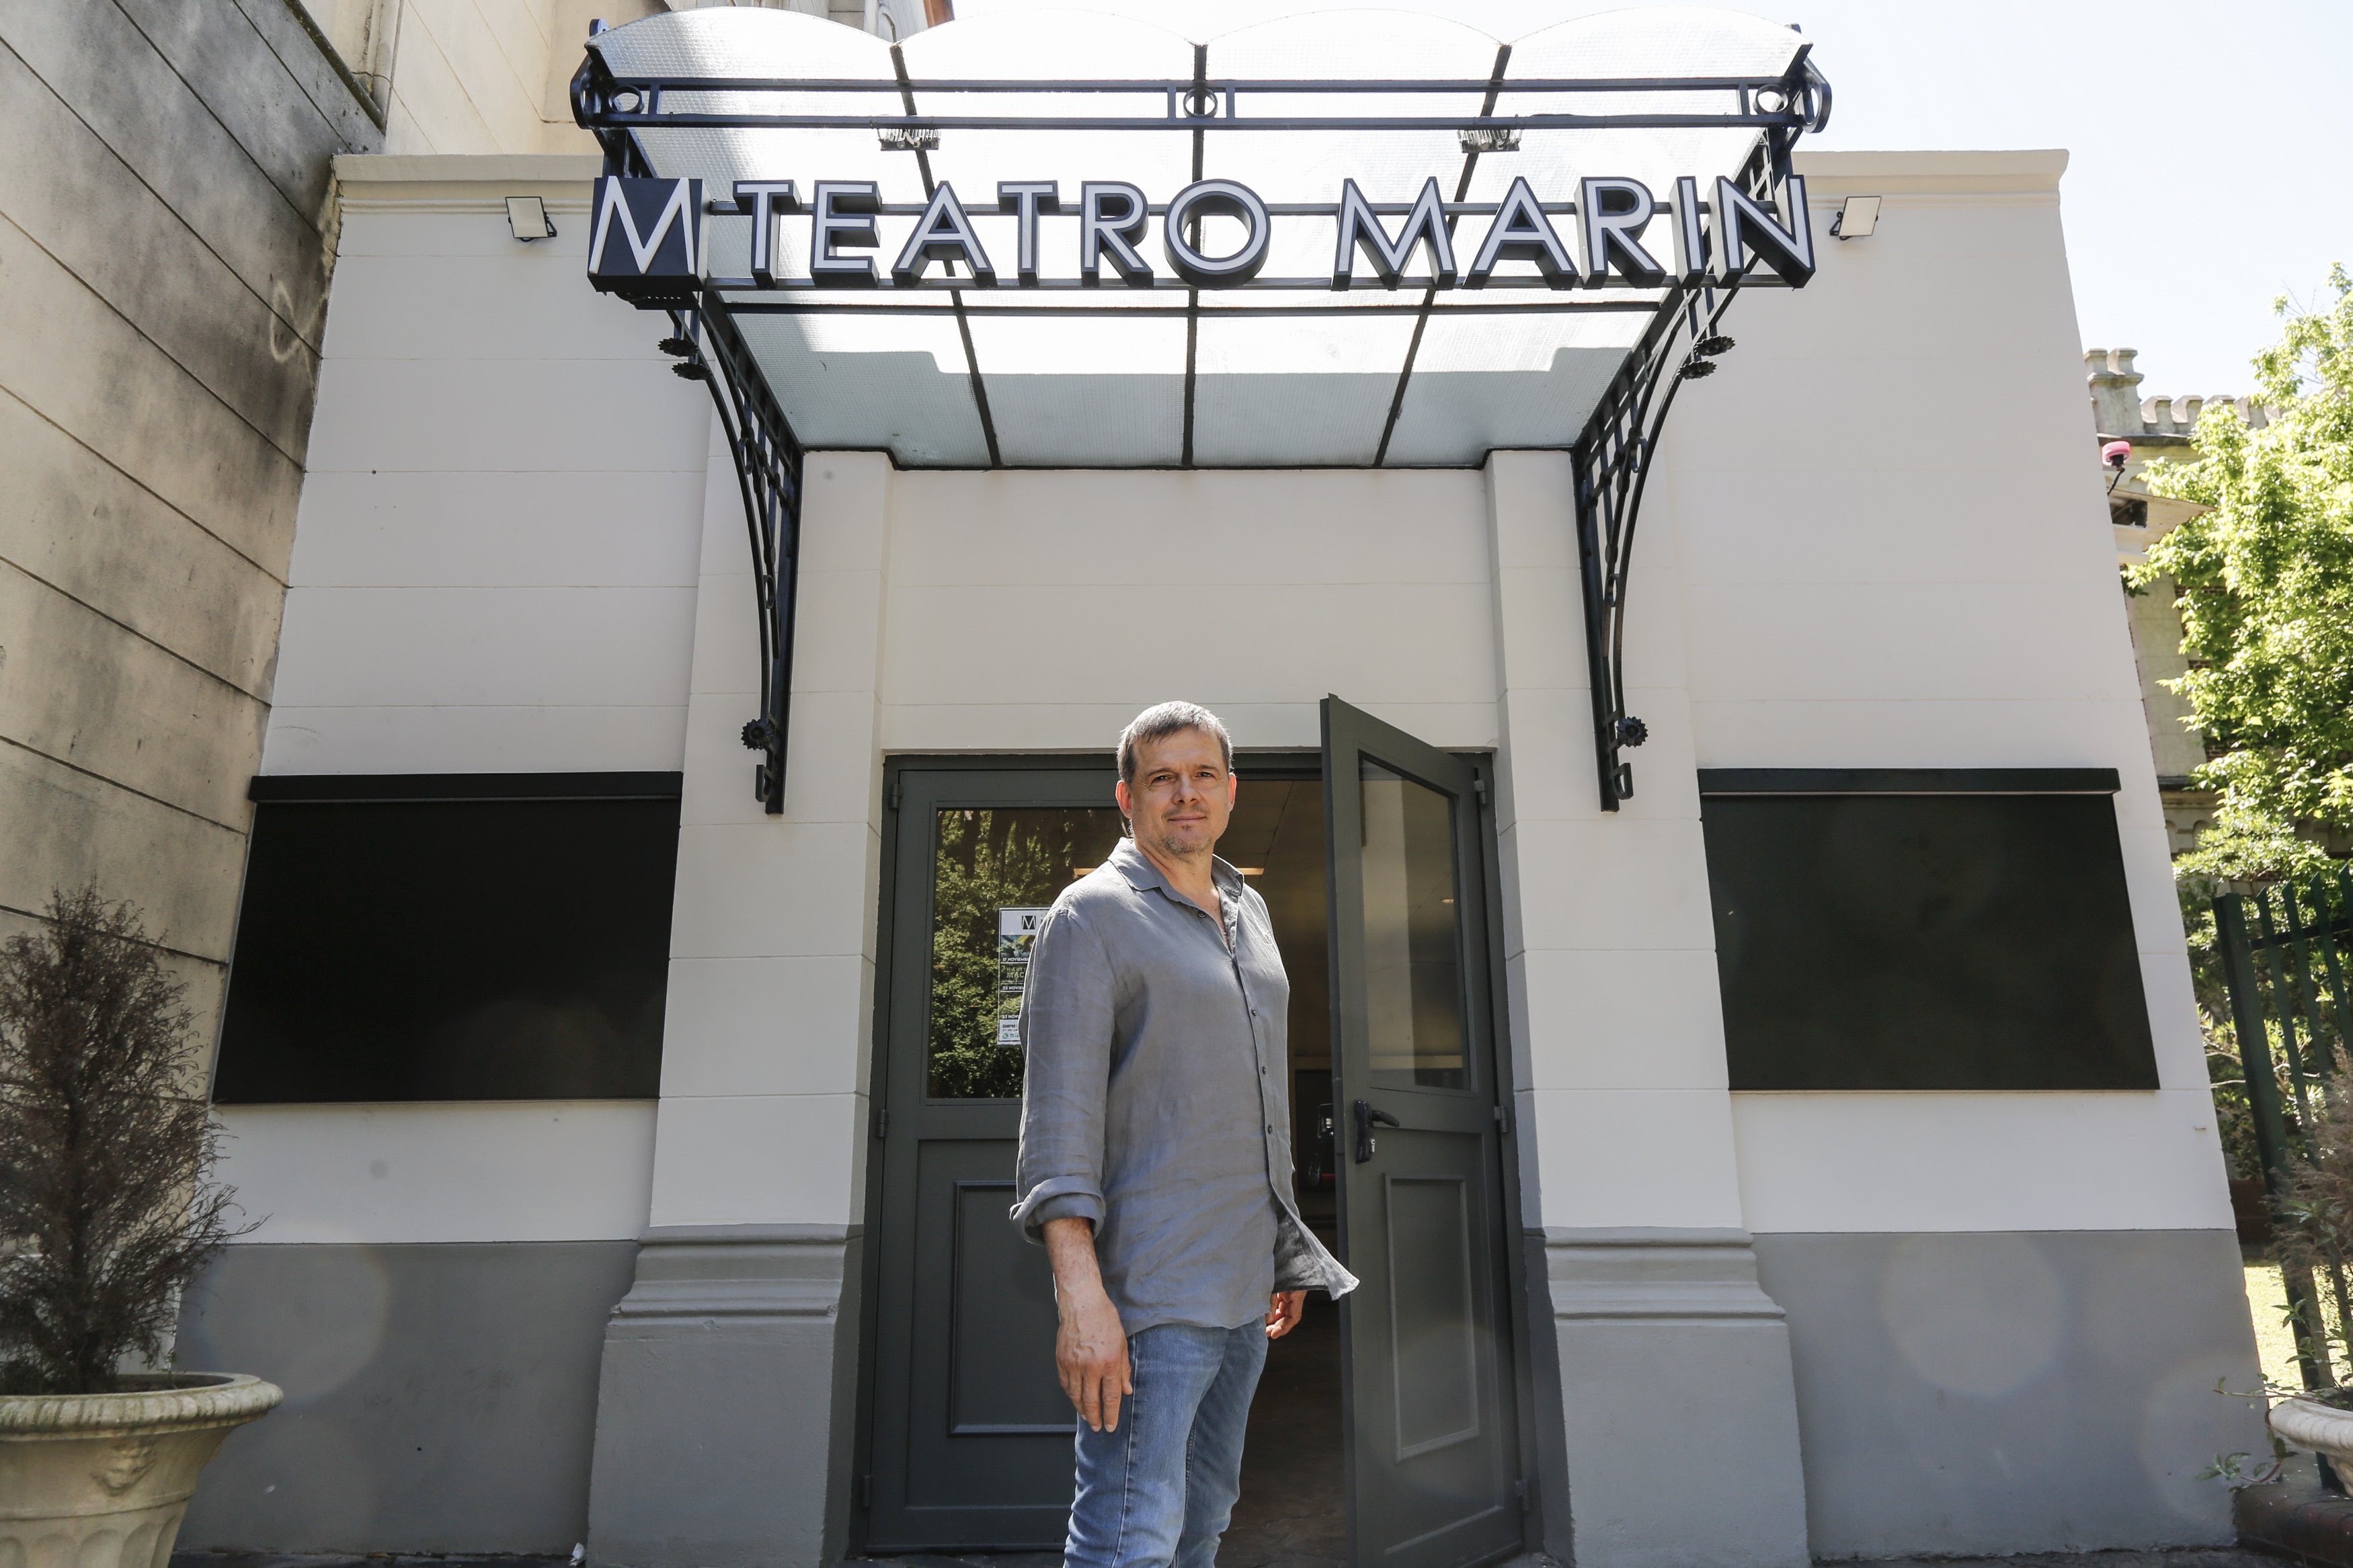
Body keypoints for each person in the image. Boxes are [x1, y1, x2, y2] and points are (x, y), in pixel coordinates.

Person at [1010, 700, 1355, 1568]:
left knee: (1204, 1517)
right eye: (1162, 778)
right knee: (1127, 1532)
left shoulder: (1250, 909)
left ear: (1231, 791)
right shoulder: (1090, 915)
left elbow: (1255, 1099)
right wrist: (1083, 1300)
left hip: (1242, 1286)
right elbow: (1058, 1124)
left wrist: (1283, 1251)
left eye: (1203, 774)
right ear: (1127, 797)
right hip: (1149, 1293)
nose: (1185, 794)